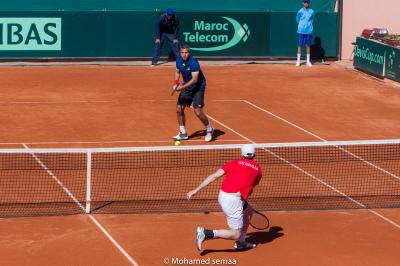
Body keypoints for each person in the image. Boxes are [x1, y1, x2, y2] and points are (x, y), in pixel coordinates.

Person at [187, 144, 263, 251]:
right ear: (254, 154)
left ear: (242, 154)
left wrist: (196, 190)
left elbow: (214, 176)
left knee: (249, 211)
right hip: (233, 201)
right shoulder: (258, 170)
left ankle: (241, 242)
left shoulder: (233, 163)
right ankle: (206, 233)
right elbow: (251, 188)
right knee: (235, 234)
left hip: (223, 196)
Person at [172, 44, 214, 142]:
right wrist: (175, 83)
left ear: (189, 53)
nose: (184, 55)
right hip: (187, 86)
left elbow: (194, 80)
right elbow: (177, 72)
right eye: (182, 52)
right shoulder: (178, 61)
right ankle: (183, 133)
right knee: (179, 108)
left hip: (198, 87)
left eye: (186, 52)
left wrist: (181, 87)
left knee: (198, 111)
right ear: (180, 53)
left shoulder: (194, 63)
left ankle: (209, 129)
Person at [296, 0, 315, 67]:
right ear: (303, 3)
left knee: (308, 45)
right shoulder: (300, 11)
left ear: (309, 3)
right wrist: (302, 25)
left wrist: (308, 26)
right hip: (301, 30)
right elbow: (297, 20)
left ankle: (308, 61)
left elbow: (312, 20)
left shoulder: (312, 11)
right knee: (299, 45)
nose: (306, 3)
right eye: (305, 2)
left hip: (309, 31)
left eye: (307, 2)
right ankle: (298, 61)